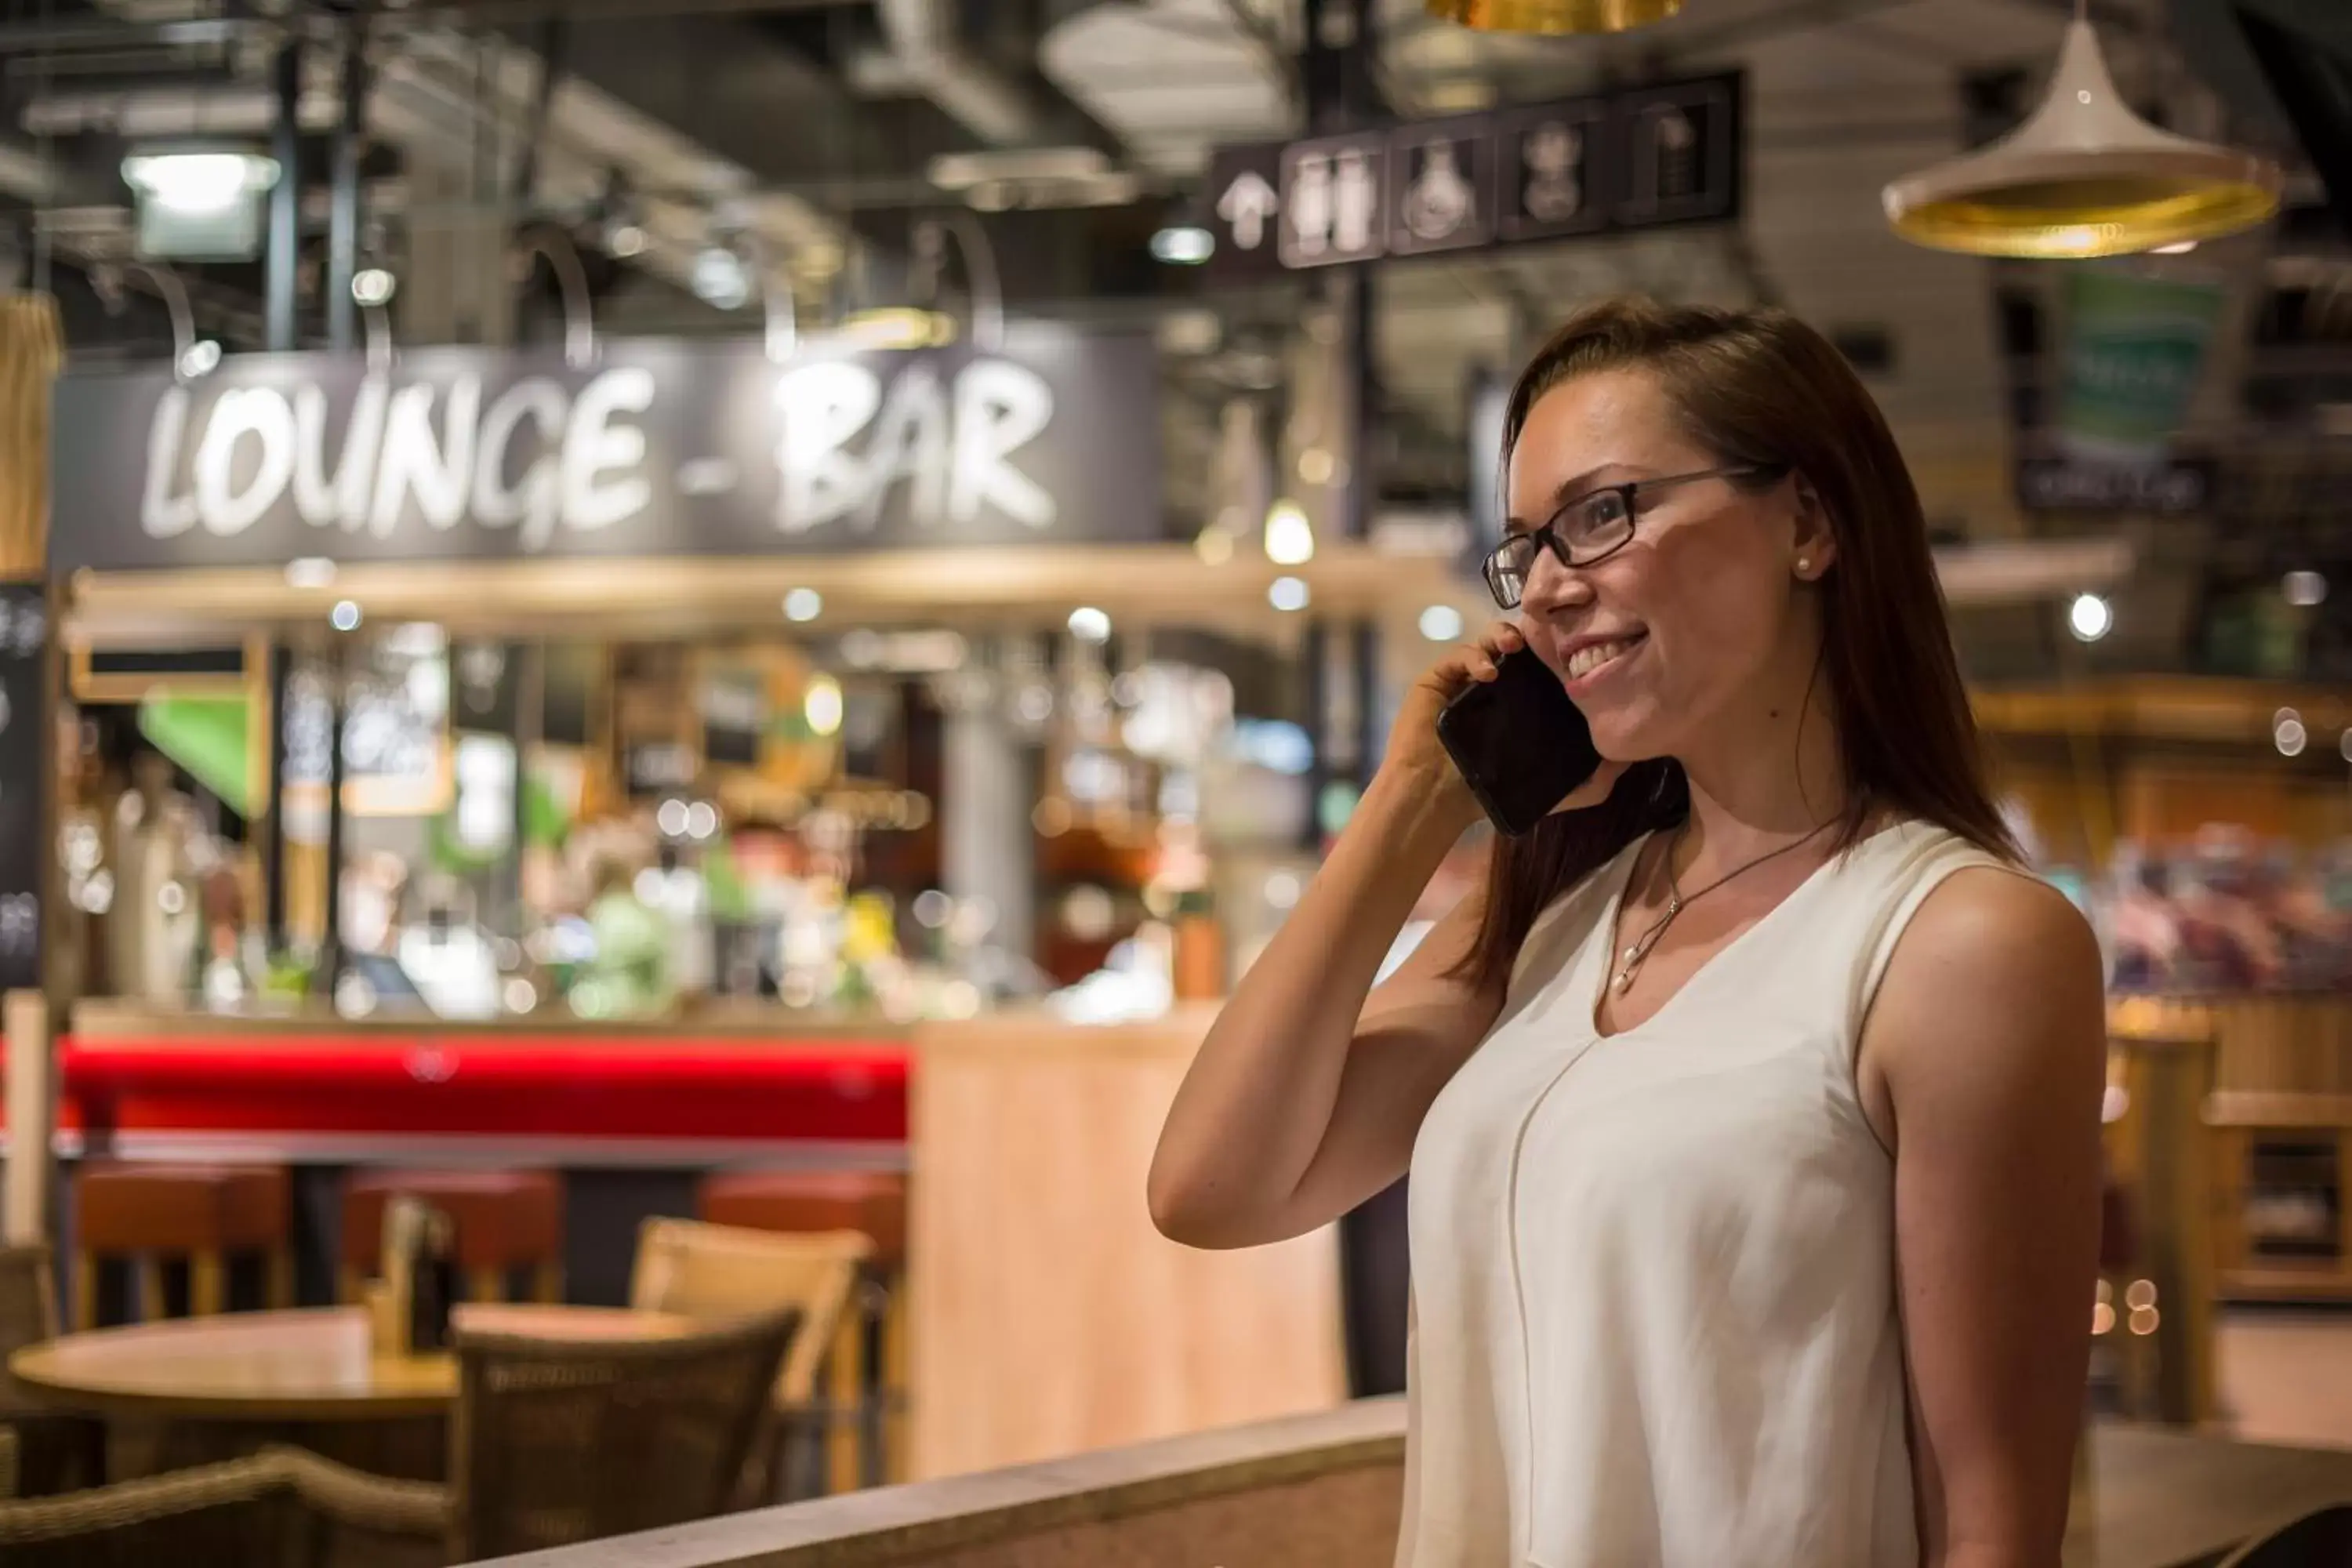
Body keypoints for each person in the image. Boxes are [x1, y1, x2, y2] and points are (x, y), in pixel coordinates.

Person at [1149, 299, 2107, 1568]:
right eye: (1527, 546)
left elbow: (1994, 1518)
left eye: (1604, 513)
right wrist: (1418, 803)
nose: (1548, 585)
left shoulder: (1959, 945)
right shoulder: (1555, 919)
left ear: (1809, 524)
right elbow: (1213, 1189)